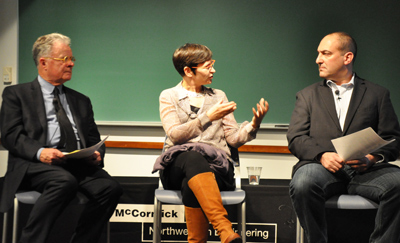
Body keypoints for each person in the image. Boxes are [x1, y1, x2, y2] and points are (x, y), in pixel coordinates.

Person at [0, 33, 123, 243]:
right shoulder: (16, 94)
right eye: (64, 59)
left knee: (110, 189)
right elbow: (10, 136)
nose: (71, 64)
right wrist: (40, 152)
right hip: (35, 164)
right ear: (43, 62)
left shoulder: (81, 100)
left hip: (75, 163)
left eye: (72, 59)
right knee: (63, 181)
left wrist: (96, 154)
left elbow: (94, 138)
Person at [287, 32, 400, 243]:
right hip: (322, 169)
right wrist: (322, 155)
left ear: (347, 58)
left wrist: (371, 159)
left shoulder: (378, 94)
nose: (318, 59)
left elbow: (393, 139)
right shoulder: (307, 95)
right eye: (318, 53)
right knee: (303, 183)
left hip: (367, 171)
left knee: (398, 183)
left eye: (325, 53)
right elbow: (296, 138)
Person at [152, 43, 268, 243]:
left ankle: (206, 238)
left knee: (192, 183)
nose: (213, 70)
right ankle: (224, 229)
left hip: (217, 168)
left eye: (212, 64)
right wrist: (207, 117)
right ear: (188, 70)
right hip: (176, 167)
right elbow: (175, 134)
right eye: (207, 66)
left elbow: (232, 138)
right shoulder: (168, 96)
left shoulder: (218, 96)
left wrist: (253, 126)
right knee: (192, 157)